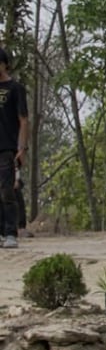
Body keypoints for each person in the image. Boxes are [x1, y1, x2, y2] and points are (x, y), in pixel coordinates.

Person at [0, 48, 29, 249]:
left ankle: (11, 232)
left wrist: (22, 147)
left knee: (7, 190)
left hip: (7, 146)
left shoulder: (15, 88)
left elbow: (23, 120)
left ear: (4, 65)